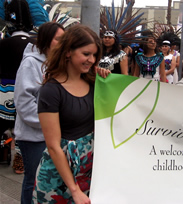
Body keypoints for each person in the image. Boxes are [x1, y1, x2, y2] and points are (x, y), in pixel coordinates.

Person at [32, 24, 109, 203]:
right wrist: (74, 190)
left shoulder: (94, 83)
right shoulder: (51, 91)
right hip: (58, 178)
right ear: (68, 52)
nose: (91, 59)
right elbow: (53, 146)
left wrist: (108, 80)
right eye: (86, 54)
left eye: (95, 55)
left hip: (89, 172)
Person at [14, 22, 65, 204]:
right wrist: (48, 123)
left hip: (52, 134)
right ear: (46, 40)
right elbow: (23, 102)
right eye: (58, 39)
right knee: (33, 179)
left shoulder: (58, 62)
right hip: (32, 136)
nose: (62, 42)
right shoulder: (30, 63)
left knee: (46, 180)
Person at [0, 0, 36, 175]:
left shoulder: (3, 44)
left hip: (3, 90)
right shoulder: (35, 46)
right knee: (23, 126)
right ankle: (20, 160)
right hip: (28, 91)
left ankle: (3, 149)